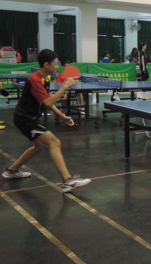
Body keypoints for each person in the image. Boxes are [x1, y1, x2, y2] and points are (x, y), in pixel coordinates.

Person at [2, 49, 91, 193]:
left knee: (40, 146)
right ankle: (68, 181)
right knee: (54, 142)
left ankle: (11, 170)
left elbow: (46, 101)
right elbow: (48, 102)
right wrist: (64, 87)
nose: (57, 67)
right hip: (24, 119)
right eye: (55, 64)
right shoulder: (34, 79)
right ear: (46, 64)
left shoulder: (47, 78)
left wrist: (61, 115)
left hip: (30, 117)